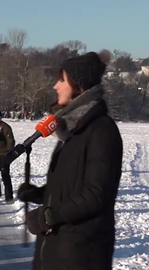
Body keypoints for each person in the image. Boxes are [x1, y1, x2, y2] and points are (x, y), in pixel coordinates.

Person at [17, 50, 123, 269]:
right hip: (56, 248)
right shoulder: (72, 131)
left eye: (61, 80)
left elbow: (95, 194)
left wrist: (48, 216)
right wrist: (40, 194)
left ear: (79, 85)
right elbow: (71, 186)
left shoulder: (101, 130)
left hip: (81, 253)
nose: (56, 86)